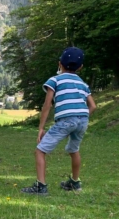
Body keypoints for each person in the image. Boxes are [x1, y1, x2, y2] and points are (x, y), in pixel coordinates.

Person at [21, 47, 96, 195]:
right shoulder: (83, 84)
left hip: (66, 120)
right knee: (74, 150)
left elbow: (47, 105)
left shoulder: (55, 80)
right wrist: (79, 118)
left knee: (40, 151)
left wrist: (41, 128)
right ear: (80, 67)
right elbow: (93, 106)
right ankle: (75, 183)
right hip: (83, 120)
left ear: (59, 63)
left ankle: (40, 186)